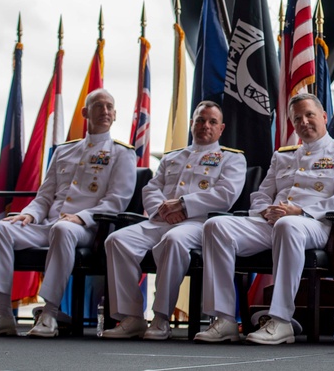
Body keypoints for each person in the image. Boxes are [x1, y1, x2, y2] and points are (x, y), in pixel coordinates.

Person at [195, 92, 334, 345]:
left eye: (309, 115)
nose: (304, 122)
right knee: (216, 225)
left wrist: (299, 212)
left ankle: (281, 320)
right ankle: (225, 319)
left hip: (320, 226)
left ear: (324, 116)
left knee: (288, 225)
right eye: (297, 119)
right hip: (275, 222)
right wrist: (266, 210)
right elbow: (262, 194)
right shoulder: (283, 155)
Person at [0, 89, 137, 338]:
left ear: (114, 115)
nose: (105, 111)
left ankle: (49, 313)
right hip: (49, 224)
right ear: (85, 113)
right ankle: (3, 313)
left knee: (63, 229)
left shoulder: (122, 153)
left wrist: (81, 217)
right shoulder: (63, 151)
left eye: (109, 107)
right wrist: (29, 215)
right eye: (99, 106)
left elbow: (116, 201)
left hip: (87, 229)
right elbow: (45, 196)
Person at [101, 101, 247, 340]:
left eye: (212, 122)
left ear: (221, 129)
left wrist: (182, 205)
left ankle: (160, 317)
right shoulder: (172, 157)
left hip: (198, 224)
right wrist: (164, 209)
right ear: (191, 124)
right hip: (161, 220)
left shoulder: (231, 159)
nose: (205, 126)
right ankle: (132, 317)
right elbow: (151, 188)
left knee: (174, 240)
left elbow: (225, 195)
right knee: (116, 240)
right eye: (200, 120)